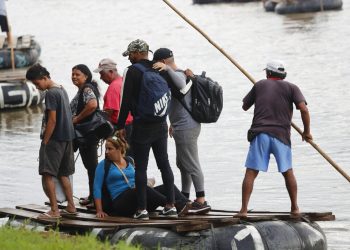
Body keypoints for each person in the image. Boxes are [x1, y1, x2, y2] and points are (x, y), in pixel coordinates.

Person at [237, 60, 312, 217]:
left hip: (260, 134)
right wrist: (306, 132)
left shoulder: (260, 85)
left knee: (251, 172)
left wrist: (259, 92)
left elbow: (244, 106)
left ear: (268, 73)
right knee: (287, 171)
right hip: (281, 136)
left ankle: (243, 210)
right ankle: (295, 208)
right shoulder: (292, 87)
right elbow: (304, 109)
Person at [116, 39, 176, 219]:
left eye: (130, 55)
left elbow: (125, 100)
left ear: (136, 53)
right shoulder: (159, 67)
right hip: (160, 124)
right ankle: (171, 205)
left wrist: (120, 126)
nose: (129, 58)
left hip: (142, 125)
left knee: (140, 167)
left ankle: (141, 209)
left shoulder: (132, 71)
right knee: (164, 163)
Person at [152, 48, 211, 212]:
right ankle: (185, 197)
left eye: (156, 64)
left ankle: (201, 199)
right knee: (182, 164)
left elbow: (181, 84)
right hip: (180, 125)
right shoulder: (175, 73)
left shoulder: (178, 73)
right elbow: (177, 102)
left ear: (162, 62)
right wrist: (172, 122)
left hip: (187, 126)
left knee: (191, 163)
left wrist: (168, 68)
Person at [93, 135, 191, 220]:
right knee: (142, 189)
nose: (106, 152)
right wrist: (99, 210)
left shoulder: (129, 161)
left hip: (140, 200)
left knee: (168, 187)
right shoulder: (104, 165)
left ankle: (189, 205)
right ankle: (176, 205)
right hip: (121, 203)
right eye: (106, 149)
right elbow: (96, 188)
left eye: (110, 149)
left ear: (119, 149)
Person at [26, 64, 76, 218]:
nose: (37, 87)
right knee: (63, 174)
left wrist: (45, 142)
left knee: (47, 174)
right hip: (68, 138)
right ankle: (71, 206)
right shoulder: (62, 89)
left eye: (37, 83)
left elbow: (52, 121)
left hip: (54, 139)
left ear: (44, 78)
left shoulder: (51, 94)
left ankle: (54, 210)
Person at [70, 64, 100, 206]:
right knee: (90, 167)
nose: (74, 77)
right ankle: (92, 196)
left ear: (86, 76)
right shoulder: (83, 89)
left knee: (92, 167)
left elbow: (93, 105)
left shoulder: (87, 89)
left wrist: (76, 119)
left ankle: (96, 199)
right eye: (73, 74)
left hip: (87, 134)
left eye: (78, 74)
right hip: (86, 135)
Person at [93, 58, 133, 156]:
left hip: (118, 130)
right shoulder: (124, 81)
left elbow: (108, 113)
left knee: (114, 157)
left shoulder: (113, 87)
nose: (101, 78)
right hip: (131, 126)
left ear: (111, 72)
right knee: (128, 157)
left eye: (102, 74)